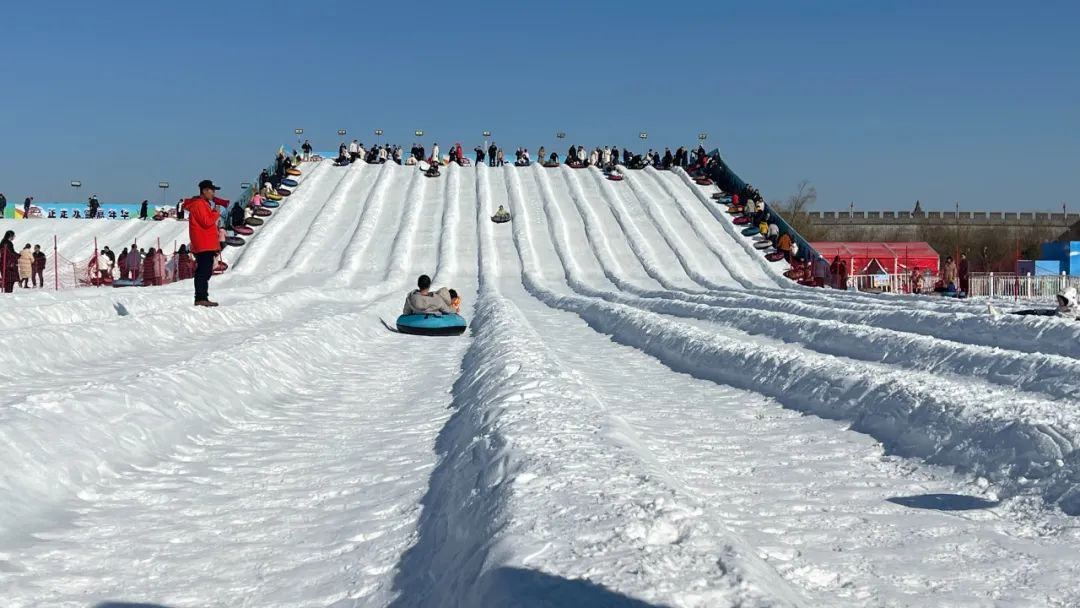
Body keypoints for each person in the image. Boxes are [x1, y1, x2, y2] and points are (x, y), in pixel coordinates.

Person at [181, 179, 230, 306]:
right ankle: (200, 298)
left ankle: (203, 297)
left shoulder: (204, 204)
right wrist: (216, 211)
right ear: (204, 191)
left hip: (206, 242)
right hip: (203, 243)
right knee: (203, 271)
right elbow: (206, 222)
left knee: (206, 271)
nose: (214, 193)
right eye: (212, 190)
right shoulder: (198, 204)